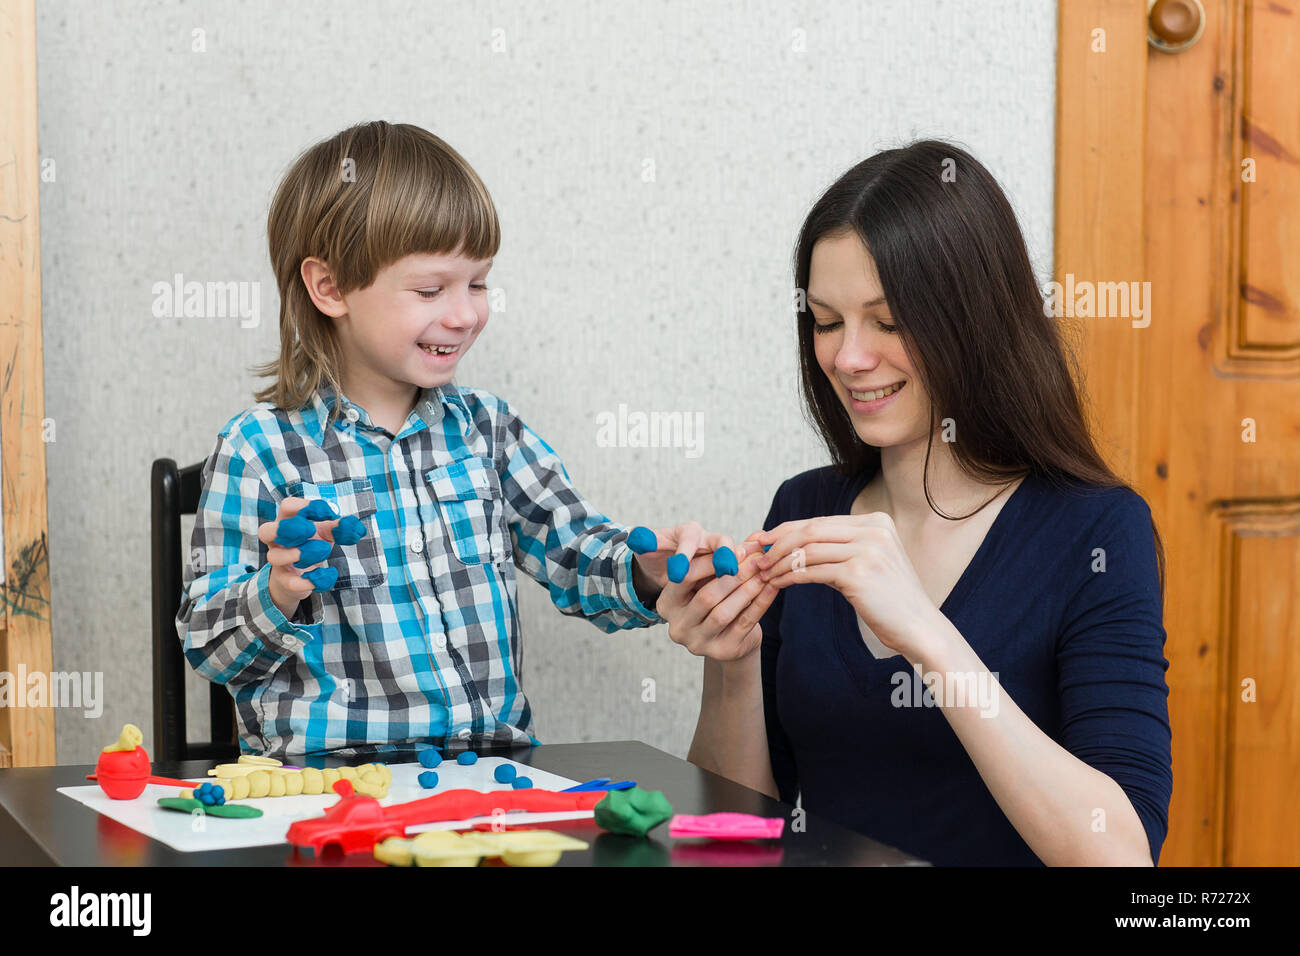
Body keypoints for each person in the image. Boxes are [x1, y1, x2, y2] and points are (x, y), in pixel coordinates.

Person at [672, 141, 1172, 866]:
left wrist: (927, 634)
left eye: (889, 320)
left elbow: (1120, 857)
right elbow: (734, 836)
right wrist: (733, 660)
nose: (848, 357)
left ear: (974, 320)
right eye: (826, 320)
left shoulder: (1095, 530)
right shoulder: (805, 505)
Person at [176, 120, 730, 758]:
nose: (465, 313)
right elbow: (210, 650)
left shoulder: (488, 430)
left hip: (488, 782)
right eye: (431, 289)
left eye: (479, 283)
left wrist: (645, 570)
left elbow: (577, 556)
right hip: (328, 792)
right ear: (329, 288)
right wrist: (279, 590)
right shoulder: (258, 449)